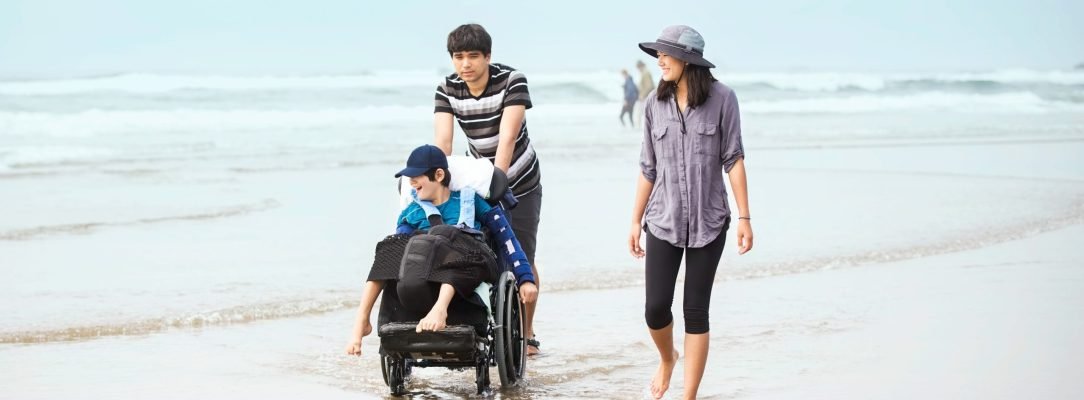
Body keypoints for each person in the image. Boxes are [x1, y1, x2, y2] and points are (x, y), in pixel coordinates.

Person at [627, 26, 754, 400]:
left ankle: (689, 395)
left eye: (667, 54)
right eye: (658, 54)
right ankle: (668, 358)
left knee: (696, 310)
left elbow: (734, 159)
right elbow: (648, 168)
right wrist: (634, 220)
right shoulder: (654, 103)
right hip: (663, 220)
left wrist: (745, 217)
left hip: (709, 220)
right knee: (655, 309)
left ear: (689, 60)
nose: (660, 59)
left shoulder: (723, 99)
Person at [345, 144, 538, 356]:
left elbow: (507, 239)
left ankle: (440, 309)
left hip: (471, 265)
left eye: (416, 176)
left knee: (449, 235)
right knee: (390, 247)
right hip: (426, 275)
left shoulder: (471, 201)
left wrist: (525, 278)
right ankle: (362, 319)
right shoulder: (413, 211)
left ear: (438, 175)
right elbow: (398, 254)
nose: (411, 182)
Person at [433, 23, 545, 356]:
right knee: (481, 252)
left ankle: (527, 334)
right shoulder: (447, 88)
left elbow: (508, 136)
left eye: (472, 56)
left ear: (488, 57)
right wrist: (437, 180)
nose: (465, 64)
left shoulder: (512, 80)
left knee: (520, 253)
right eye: (458, 57)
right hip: (479, 178)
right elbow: (443, 141)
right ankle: (485, 325)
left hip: (522, 180)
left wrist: (500, 178)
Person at [635, 60, 655, 128]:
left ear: (641, 66)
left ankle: (643, 129)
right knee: (644, 114)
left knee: (644, 114)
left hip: (646, 97)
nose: (638, 69)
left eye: (638, 67)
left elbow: (649, 86)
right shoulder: (644, 73)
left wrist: (642, 95)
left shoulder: (646, 73)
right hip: (645, 97)